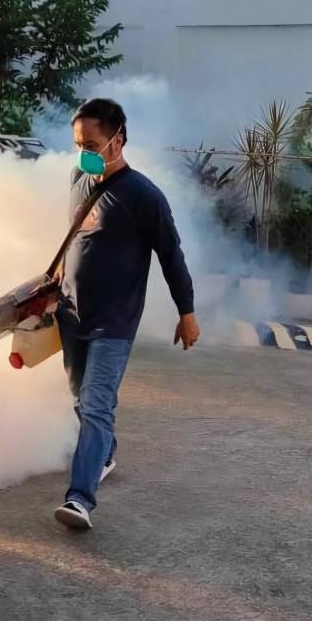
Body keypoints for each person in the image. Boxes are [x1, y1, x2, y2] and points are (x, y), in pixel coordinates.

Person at [53, 98, 199, 531]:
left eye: (92, 144)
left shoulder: (144, 197)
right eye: (78, 143)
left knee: (97, 404)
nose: (84, 151)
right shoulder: (79, 178)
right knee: (80, 398)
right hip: (71, 313)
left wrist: (186, 311)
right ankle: (107, 452)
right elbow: (74, 240)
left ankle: (80, 499)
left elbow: (172, 256)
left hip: (113, 323)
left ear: (118, 140)